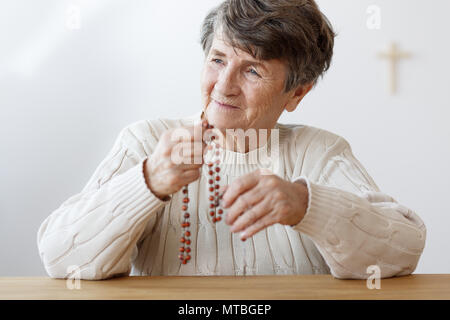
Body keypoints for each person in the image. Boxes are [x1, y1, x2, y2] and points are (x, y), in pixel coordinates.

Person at [37, 0, 426, 280]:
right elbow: (61, 259)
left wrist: (307, 205)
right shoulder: (146, 142)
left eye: (252, 70)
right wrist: (149, 181)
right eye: (218, 59)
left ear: (296, 94)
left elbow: (403, 250)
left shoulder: (319, 152)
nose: (224, 86)